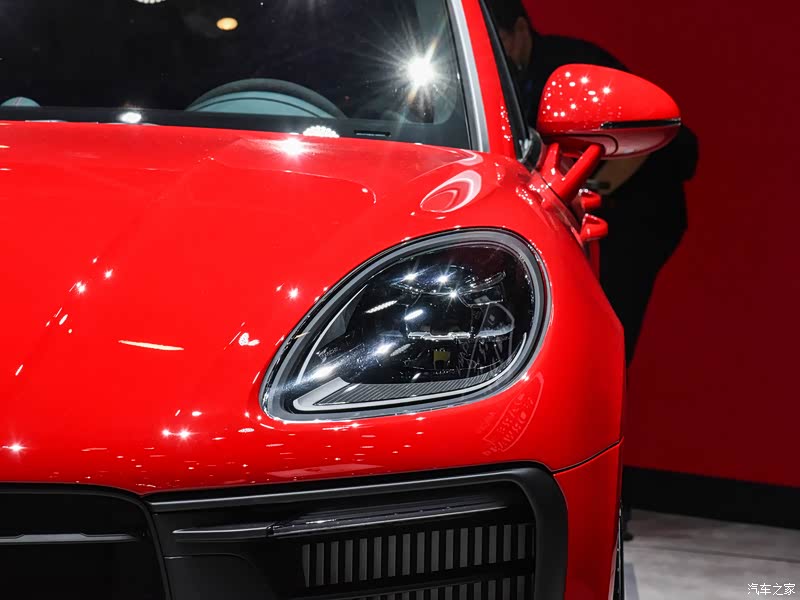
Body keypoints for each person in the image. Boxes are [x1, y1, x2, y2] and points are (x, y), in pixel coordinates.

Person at [486, 0, 699, 540]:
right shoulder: (493, 77)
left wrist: (583, 193)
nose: (495, 51)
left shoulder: (570, 71)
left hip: (628, 223)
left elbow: (664, 145)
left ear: (518, 31)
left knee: (602, 353)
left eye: (498, 38)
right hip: (538, 228)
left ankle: (603, 505)